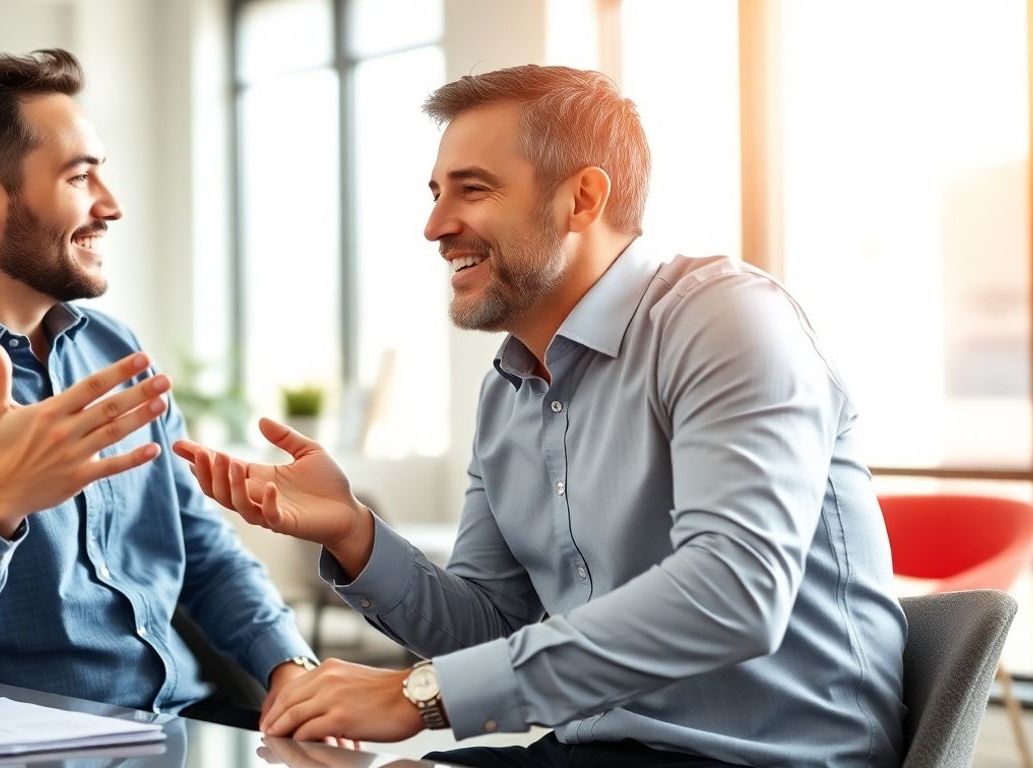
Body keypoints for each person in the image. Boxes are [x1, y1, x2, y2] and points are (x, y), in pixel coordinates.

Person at [173, 65, 906, 767]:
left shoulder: (725, 320)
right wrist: (355, 533)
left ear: (582, 199)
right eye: (435, 192)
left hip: (768, 757)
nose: (434, 225)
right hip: (595, 750)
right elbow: (488, 626)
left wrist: (420, 696)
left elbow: (734, 593)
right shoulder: (511, 389)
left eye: (473, 190)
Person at [0, 49, 318, 729]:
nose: (112, 205)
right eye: (80, 177)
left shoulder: (113, 349)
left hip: (188, 727)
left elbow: (201, 549)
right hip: (33, 747)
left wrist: (290, 668)